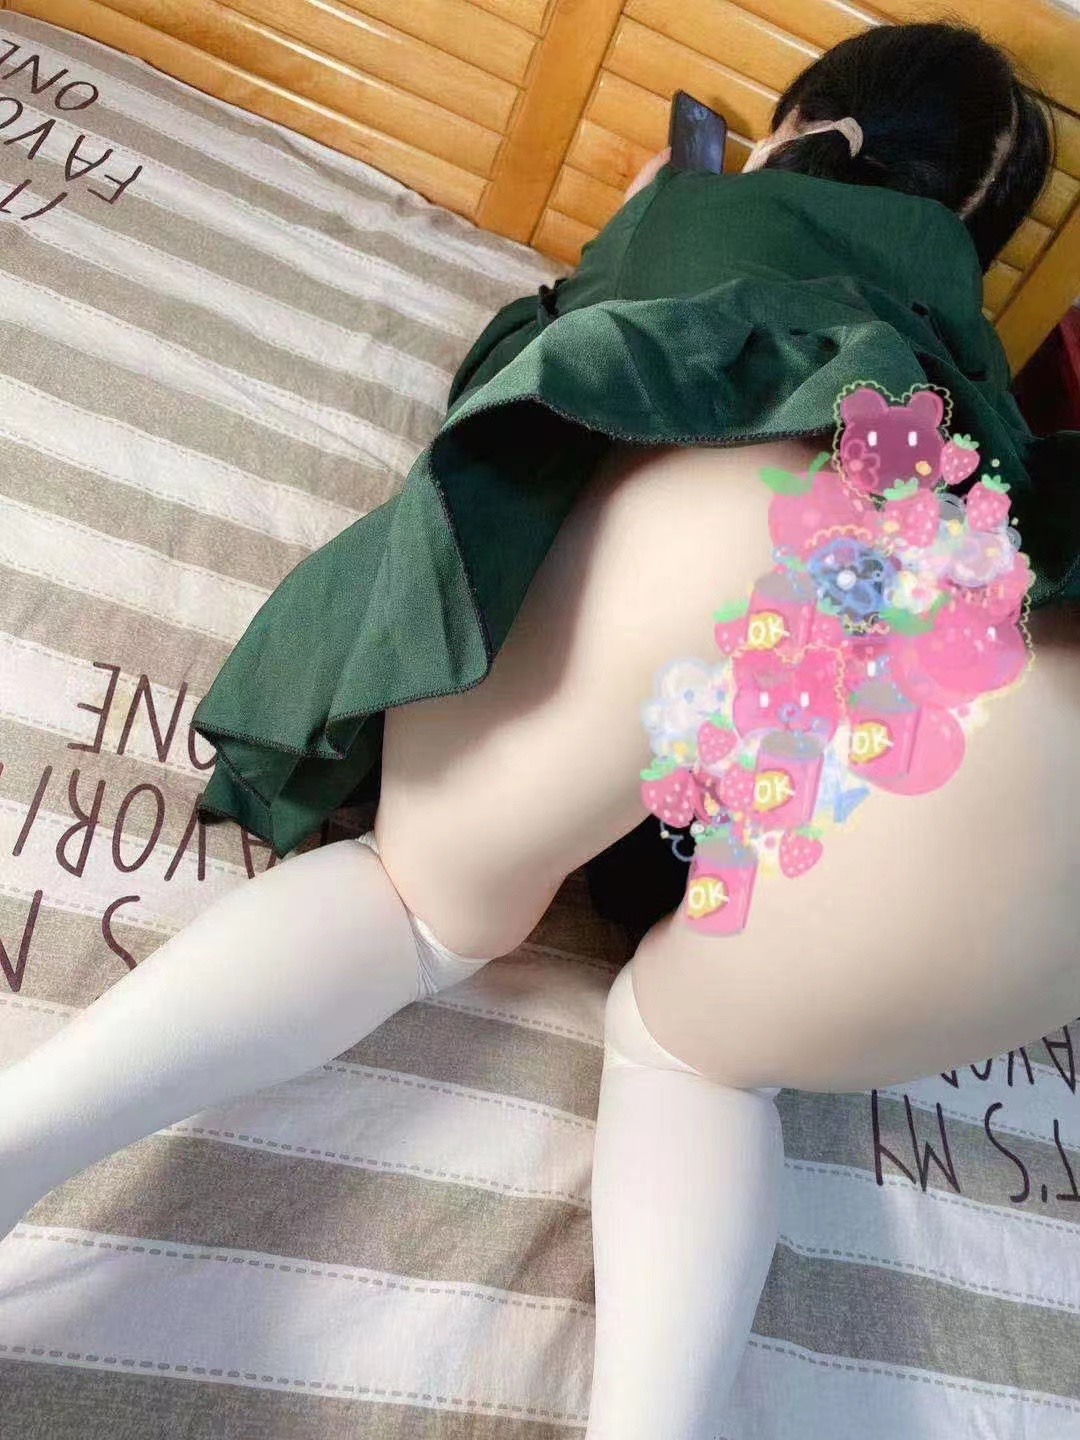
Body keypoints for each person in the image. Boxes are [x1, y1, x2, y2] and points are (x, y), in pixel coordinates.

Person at [2, 21, 1079, 1438]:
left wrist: (646, 222)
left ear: (810, 130)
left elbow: (533, 377)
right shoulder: (976, 368)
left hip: (770, 505)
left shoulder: (706, 214)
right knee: (698, 1060)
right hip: (1017, 684)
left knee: (418, 899)